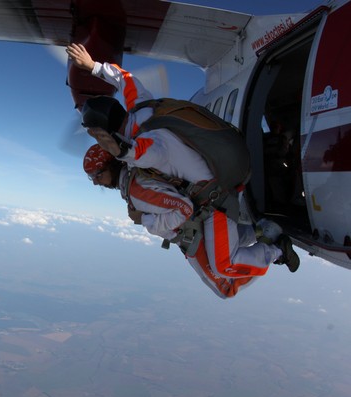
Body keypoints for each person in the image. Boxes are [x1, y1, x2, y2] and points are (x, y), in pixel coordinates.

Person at [68, 42, 300, 277]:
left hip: (218, 195)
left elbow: (137, 153)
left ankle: (277, 251)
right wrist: (93, 66)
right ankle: (262, 230)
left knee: (223, 267)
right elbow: (125, 79)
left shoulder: (150, 146)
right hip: (227, 167)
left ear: (108, 133)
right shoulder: (140, 107)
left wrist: (145, 217)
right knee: (221, 243)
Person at [84, 144, 267, 299]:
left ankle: (273, 246)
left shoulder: (136, 189)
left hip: (194, 236)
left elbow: (184, 209)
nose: (95, 182)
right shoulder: (132, 181)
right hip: (194, 232)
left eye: (97, 175)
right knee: (240, 240)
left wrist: (145, 220)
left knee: (227, 289)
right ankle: (265, 230)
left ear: (111, 165)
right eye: (91, 177)